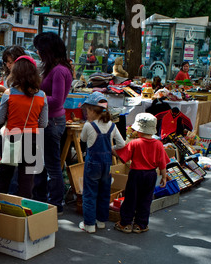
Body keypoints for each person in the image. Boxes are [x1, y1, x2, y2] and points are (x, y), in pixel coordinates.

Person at [0, 55, 48, 199]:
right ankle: (23, 213)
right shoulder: (42, 96)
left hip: (12, 137)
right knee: (26, 180)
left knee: (4, 177)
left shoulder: (8, 94)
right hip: (32, 138)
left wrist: (3, 112)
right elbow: (43, 124)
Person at [32, 32, 73, 215]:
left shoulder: (59, 70)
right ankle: (40, 200)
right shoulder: (55, 68)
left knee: (52, 165)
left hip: (52, 122)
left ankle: (56, 204)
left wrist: (34, 95)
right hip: (46, 121)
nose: (38, 53)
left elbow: (56, 100)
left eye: (39, 50)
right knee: (41, 163)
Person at [114, 113, 169, 234]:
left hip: (136, 174)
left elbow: (124, 157)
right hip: (151, 175)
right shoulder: (159, 144)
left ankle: (126, 224)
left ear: (138, 130)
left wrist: (112, 150)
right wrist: (164, 177)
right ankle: (141, 224)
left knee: (130, 198)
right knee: (146, 199)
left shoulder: (135, 143)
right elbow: (162, 163)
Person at [79, 92, 125, 233]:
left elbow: (83, 140)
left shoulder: (89, 125)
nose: (86, 113)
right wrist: (111, 148)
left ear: (92, 110)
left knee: (90, 194)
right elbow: (122, 144)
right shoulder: (111, 125)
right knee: (104, 193)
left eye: (87, 111)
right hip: (107, 164)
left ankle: (89, 225)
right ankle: (101, 222)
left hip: (93, 164)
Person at [0, 45, 26, 194]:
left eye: (12, 61)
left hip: (14, 126)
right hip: (10, 125)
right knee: (4, 161)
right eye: (7, 62)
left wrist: (4, 92)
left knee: (9, 163)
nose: (9, 65)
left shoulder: (22, 79)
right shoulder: (9, 77)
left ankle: (0, 192)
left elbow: (16, 97)